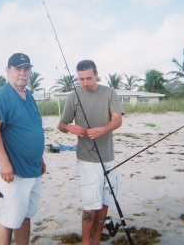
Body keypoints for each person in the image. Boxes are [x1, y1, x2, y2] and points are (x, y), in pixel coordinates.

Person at [58, 59, 124, 245]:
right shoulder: (73, 96)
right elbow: (61, 124)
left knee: (104, 201)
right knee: (90, 205)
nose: (85, 83)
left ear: (96, 74)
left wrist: (102, 129)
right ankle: (86, 242)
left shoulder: (109, 92)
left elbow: (118, 120)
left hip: (108, 157)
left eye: (88, 78)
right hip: (87, 159)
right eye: (81, 79)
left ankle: (96, 240)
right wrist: (70, 128)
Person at [0, 52, 46, 245]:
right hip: (13, 172)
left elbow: (33, 128)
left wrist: (40, 159)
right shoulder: (0, 96)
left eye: (26, 68)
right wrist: (4, 163)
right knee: (7, 220)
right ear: (8, 71)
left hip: (32, 169)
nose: (22, 72)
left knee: (25, 216)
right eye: (18, 68)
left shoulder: (30, 97)